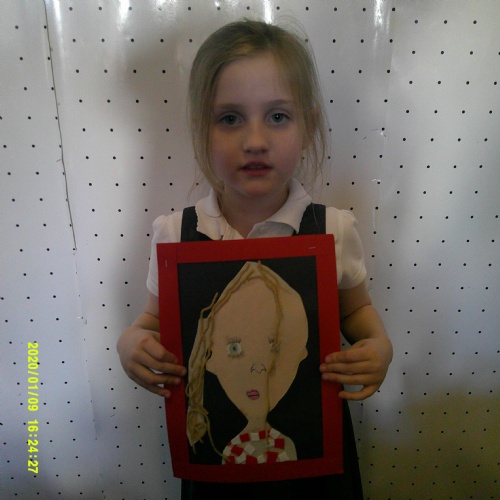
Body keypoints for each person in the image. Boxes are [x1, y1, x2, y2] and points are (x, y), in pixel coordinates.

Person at [117, 18, 393, 499]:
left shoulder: (333, 229)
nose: (255, 140)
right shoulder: (175, 234)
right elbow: (154, 321)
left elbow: (356, 311)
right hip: (216, 474)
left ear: (307, 125)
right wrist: (132, 344)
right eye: (230, 119)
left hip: (316, 466)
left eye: (278, 116)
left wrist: (378, 347)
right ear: (202, 129)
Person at [185, 261, 309, 465]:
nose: (258, 367)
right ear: (211, 361)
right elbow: (153, 317)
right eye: (234, 348)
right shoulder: (236, 449)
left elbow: (356, 310)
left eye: (274, 346)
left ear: (300, 353)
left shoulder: (282, 445)